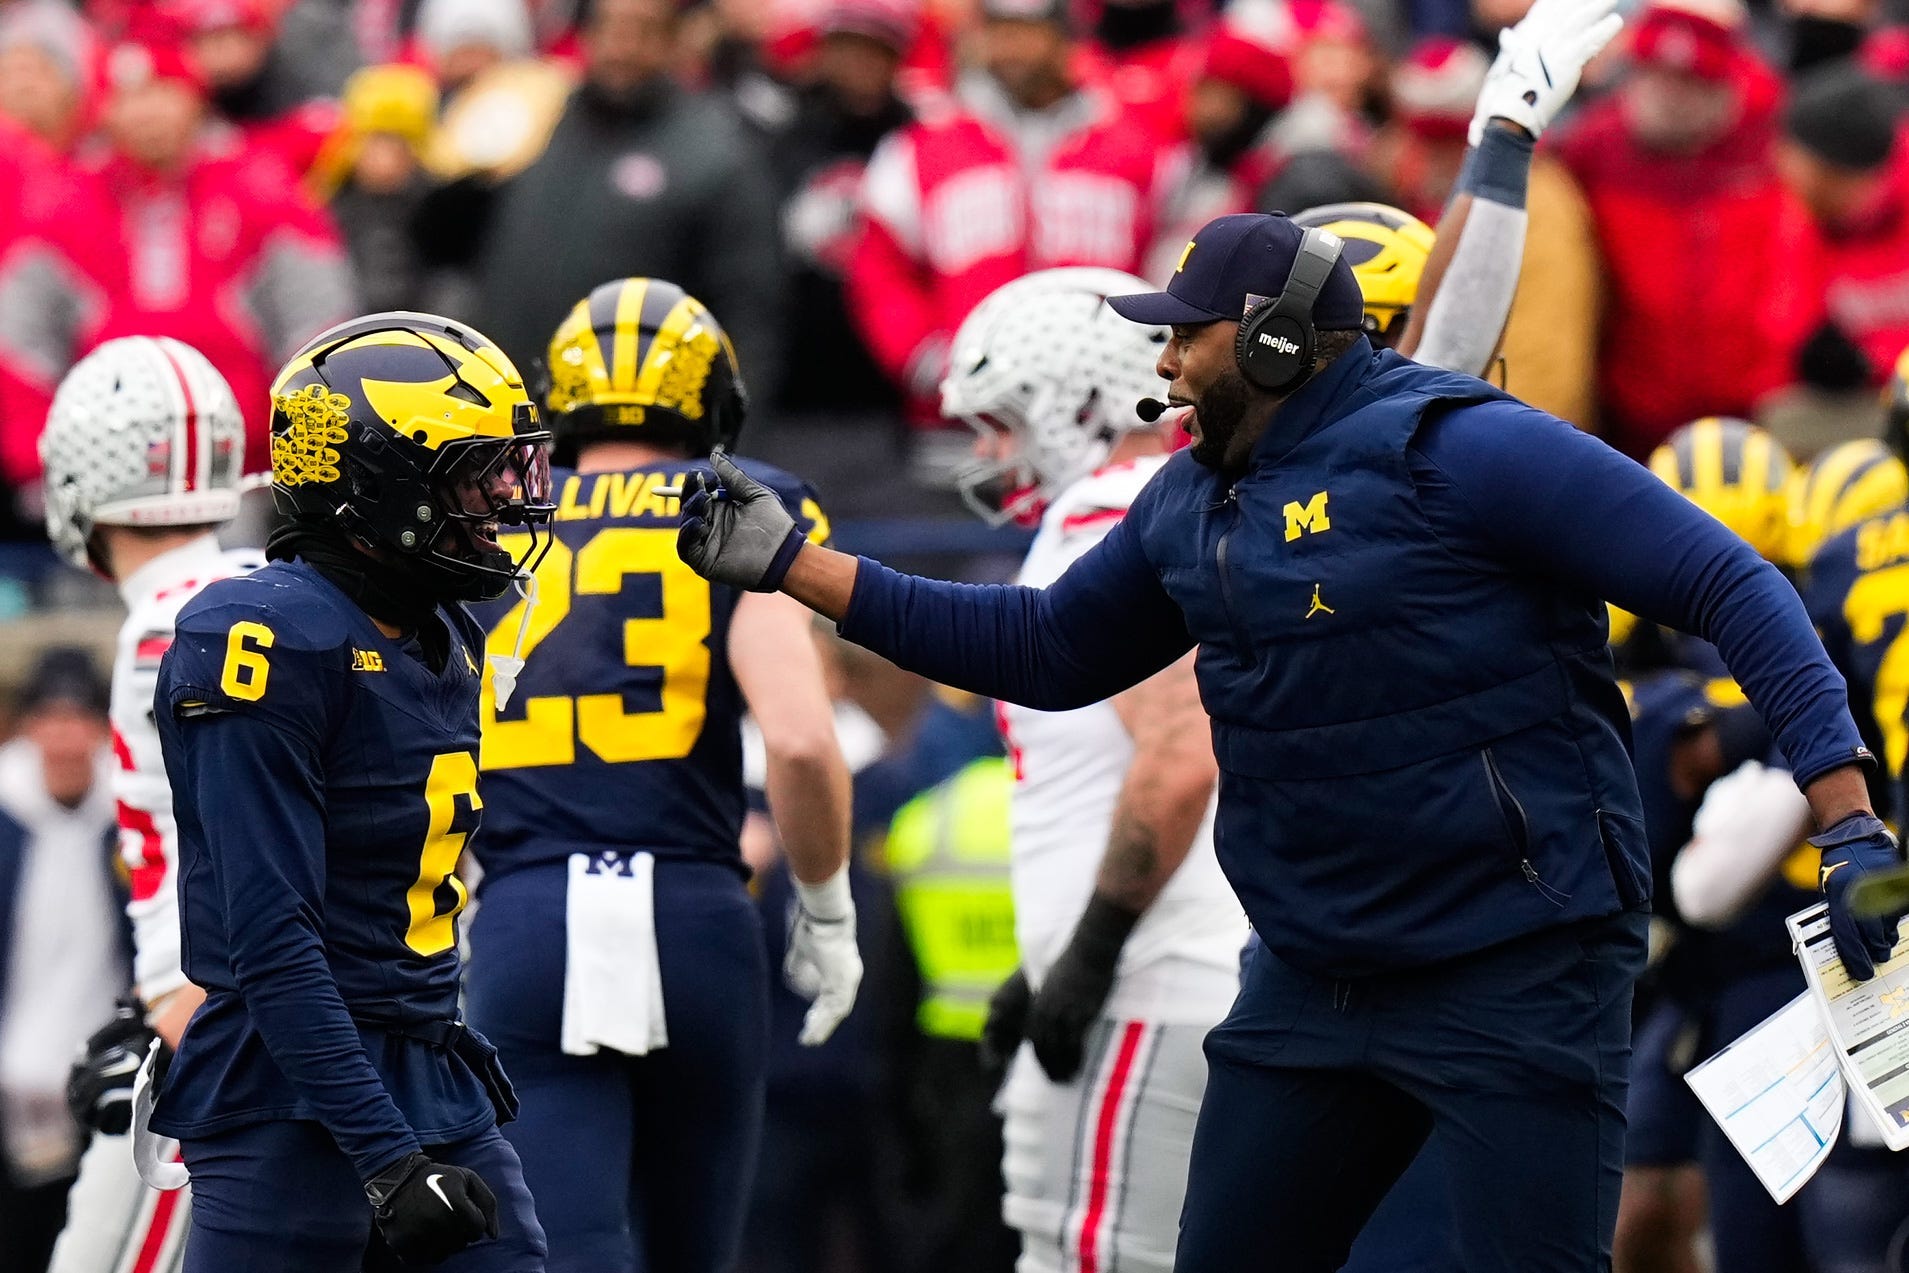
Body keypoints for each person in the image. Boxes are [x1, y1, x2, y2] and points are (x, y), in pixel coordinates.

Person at [675, 208, 1901, 1270]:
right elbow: (1042, 648)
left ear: (1270, 339)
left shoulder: (1463, 448)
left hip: (1511, 967)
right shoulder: (1188, 496)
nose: (1160, 361)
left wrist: (1845, 818)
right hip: (1312, 976)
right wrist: (798, 566)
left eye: (1183, 333)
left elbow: (1732, 583)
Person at [146, 312, 555, 1271]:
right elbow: (272, 936)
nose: (503, 497)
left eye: (508, 469)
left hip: (425, 1066)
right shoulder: (266, 637)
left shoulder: (443, 626)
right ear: (373, 487)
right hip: (287, 1089)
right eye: (475, 472)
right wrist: (383, 1156)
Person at [462, 278, 856, 1273]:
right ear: (710, 398)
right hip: (692, 911)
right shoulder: (738, 502)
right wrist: (826, 907)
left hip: (528, 914)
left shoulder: (491, 524)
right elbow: (802, 740)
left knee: (572, 1249)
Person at [946, 267, 1242, 1273]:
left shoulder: (1105, 512)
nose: (988, 454)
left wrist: (1089, 954)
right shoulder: (1148, 505)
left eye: (1000, 421)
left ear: (1078, 402)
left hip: (1150, 983)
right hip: (1166, 975)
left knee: (1091, 1258)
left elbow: (1177, 751)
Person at [39, 337, 262, 1273]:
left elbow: (243, 851)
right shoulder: (259, 589)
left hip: (216, 1029)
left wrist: (176, 1007)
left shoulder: (169, 628)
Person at [845, 0, 1169, 431]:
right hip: (962, 426)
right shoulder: (923, 147)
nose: (1010, 48)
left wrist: (1145, 357)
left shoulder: (1136, 147)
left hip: (1099, 423)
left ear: (1065, 41)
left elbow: (1172, 256)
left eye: (1026, 32)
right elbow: (879, 269)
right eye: (999, 32)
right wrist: (922, 357)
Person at [475, 0, 782, 383]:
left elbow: (749, 315)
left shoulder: (714, 151)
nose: (620, 48)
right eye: (607, 28)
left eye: (642, 32)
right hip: (511, 403)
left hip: (633, 420)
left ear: (675, 41)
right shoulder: (540, 119)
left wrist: (729, 430)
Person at [0, 649, 120, 1273]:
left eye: (80, 719)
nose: (66, 737)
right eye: (51, 718)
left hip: (105, 1066)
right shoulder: (8, 812)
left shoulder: (129, 814)